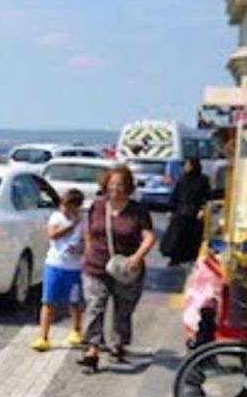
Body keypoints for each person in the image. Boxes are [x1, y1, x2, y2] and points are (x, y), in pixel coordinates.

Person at [79, 165, 156, 372]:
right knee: (94, 305)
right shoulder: (97, 205)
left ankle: (118, 345)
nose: (115, 189)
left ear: (128, 187)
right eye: (112, 184)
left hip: (125, 269)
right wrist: (88, 249)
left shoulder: (137, 210)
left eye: (120, 185)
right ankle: (92, 349)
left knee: (123, 310)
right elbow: (88, 229)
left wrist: (137, 257)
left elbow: (149, 237)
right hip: (96, 265)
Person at [32, 189, 86, 352]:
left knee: (74, 302)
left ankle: (76, 331)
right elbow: (52, 234)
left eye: (68, 206)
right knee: (48, 302)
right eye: (63, 205)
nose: (64, 208)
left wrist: (80, 248)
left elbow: (86, 241)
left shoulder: (84, 220)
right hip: (54, 265)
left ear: (76, 206)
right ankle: (43, 337)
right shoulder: (56, 217)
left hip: (73, 268)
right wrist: (72, 225)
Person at [161, 157, 211, 267]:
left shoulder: (203, 180)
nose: (186, 167)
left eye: (188, 165)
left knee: (192, 238)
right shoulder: (183, 179)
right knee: (176, 236)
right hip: (181, 212)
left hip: (194, 214)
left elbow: (206, 197)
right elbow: (176, 195)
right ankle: (174, 258)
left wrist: (202, 209)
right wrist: (170, 209)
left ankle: (190, 257)